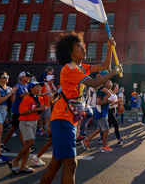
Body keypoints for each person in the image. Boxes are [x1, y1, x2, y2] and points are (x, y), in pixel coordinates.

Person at [40, 32, 122, 184]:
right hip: (62, 119)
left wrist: (110, 48)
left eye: (83, 46)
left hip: (67, 119)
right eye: (79, 47)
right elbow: (94, 83)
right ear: (70, 52)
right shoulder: (69, 69)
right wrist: (114, 72)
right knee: (71, 164)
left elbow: (104, 66)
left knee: (57, 162)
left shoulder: (81, 67)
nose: (84, 49)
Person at [8, 82, 47, 174]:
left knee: (28, 145)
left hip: (34, 122)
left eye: (40, 87)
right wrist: (37, 109)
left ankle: (23, 166)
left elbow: (38, 111)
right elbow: (23, 112)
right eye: (37, 87)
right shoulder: (27, 98)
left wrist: (41, 109)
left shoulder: (40, 99)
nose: (40, 88)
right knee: (30, 142)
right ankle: (15, 160)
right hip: (26, 122)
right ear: (31, 89)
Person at [1, 71, 34, 153]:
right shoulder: (18, 86)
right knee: (21, 129)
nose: (29, 78)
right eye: (27, 76)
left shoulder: (26, 86)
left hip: (23, 110)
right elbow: (23, 96)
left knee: (14, 128)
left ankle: (2, 143)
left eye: (29, 77)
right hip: (18, 110)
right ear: (22, 77)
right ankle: (26, 147)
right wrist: (32, 91)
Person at [82, 79, 115, 152]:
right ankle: (104, 147)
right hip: (101, 112)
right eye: (109, 82)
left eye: (111, 82)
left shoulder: (104, 90)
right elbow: (98, 102)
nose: (111, 84)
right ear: (105, 83)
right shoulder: (101, 91)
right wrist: (107, 101)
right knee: (106, 129)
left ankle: (86, 140)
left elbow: (104, 101)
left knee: (100, 129)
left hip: (103, 112)